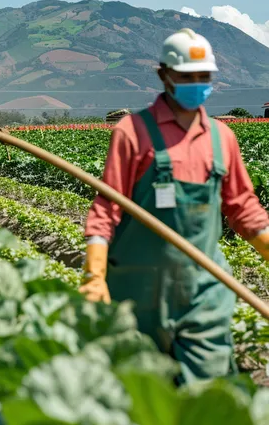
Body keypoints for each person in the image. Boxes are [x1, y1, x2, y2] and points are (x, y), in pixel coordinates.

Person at [80, 28, 269, 385]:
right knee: (143, 395)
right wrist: (94, 274)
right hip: (137, 295)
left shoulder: (221, 137)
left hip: (202, 292)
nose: (196, 84)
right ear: (164, 75)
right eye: (186, 77)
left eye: (203, 77)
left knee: (208, 391)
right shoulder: (132, 132)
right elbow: (107, 210)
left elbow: (243, 207)